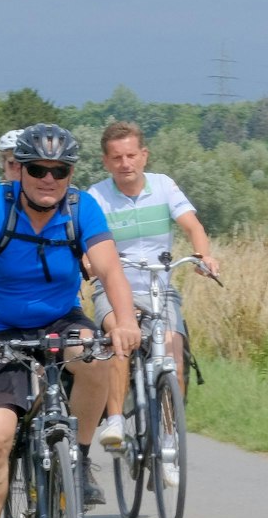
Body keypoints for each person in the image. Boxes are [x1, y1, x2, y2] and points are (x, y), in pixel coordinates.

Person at [0, 124, 142, 518]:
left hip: (59, 321)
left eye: (58, 171)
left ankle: (76, 458)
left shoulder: (81, 208)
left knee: (98, 356)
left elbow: (110, 269)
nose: (48, 179)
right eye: (37, 169)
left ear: (70, 174)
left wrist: (123, 321)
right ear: (19, 169)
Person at [84, 120, 221, 476]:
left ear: (144, 155)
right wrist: (87, 262)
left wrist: (203, 256)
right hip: (114, 287)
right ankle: (114, 421)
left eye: (131, 155)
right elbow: (85, 241)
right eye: (117, 157)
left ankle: (169, 440)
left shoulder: (164, 186)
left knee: (174, 353)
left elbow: (192, 226)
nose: (125, 163)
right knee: (120, 339)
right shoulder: (96, 197)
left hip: (160, 286)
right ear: (106, 161)